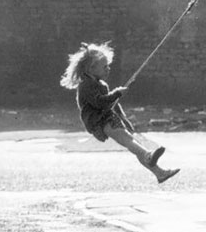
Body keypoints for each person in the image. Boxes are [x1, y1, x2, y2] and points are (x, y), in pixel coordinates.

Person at [60, 41, 179, 184]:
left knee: (132, 142)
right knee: (128, 140)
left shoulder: (100, 84)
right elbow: (99, 102)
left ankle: (159, 173)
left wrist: (123, 117)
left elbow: (112, 104)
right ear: (91, 69)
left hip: (107, 117)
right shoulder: (86, 85)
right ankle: (148, 155)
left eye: (108, 65)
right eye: (104, 67)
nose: (108, 69)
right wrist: (117, 93)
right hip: (99, 121)